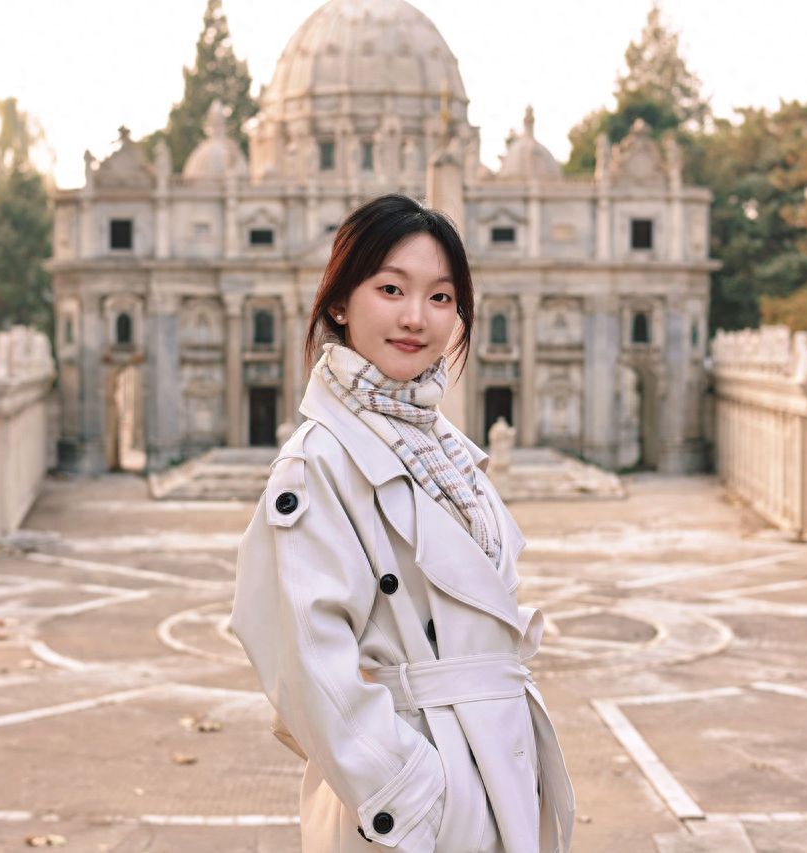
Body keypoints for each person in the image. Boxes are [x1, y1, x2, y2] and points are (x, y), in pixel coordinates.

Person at [230, 193, 574, 852]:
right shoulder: (318, 462)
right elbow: (297, 661)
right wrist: (412, 796)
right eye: (392, 288)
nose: (417, 317)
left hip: (493, 767)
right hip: (416, 808)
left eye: (442, 297)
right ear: (339, 301)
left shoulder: (445, 447)